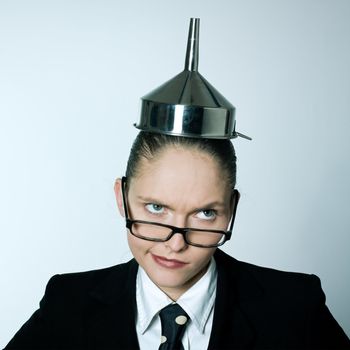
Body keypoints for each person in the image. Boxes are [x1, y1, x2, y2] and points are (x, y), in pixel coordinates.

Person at [4, 19, 350, 350]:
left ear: (232, 210)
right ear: (122, 198)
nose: (175, 243)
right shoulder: (67, 303)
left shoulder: (294, 307)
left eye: (204, 213)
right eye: (156, 208)